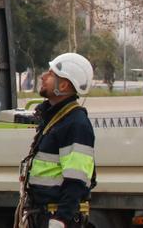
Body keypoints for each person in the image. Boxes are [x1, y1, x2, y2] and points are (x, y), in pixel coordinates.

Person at [15, 53, 96, 228]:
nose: (43, 77)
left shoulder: (75, 124)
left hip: (56, 218)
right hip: (42, 215)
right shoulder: (56, 119)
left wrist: (61, 219)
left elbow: (76, 180)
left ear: (64, 85)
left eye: (51, 74)